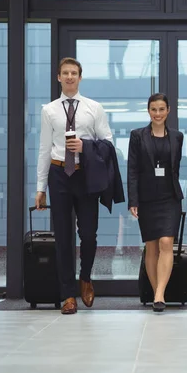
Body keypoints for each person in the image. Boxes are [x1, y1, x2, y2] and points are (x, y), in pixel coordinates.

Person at [35, 57, 118, 315]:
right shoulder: (49, 110)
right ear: (58, 78)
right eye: (65, 73)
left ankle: (85, 277)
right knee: (62, 237)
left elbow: (108, 142)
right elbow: (44, 149)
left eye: (74, 73)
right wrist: (40, 187)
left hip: (85, 175)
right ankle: (68, 295)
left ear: (80, 78)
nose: (70, 77)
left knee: (89, 235)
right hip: (59, 174)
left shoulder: (93, 108)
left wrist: (85, 146)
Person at [127, 93, 184, 312]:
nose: (158, 113)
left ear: (168, 110)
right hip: (147, 197)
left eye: (162, 109)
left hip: (170, 197)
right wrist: (133, 199)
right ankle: (157, 292)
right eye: (154, 109)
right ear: (148, 111)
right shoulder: (137, 136)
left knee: (166, 243)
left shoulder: (177, 137)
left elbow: (175, 168)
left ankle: (160, 293)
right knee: (151, 246)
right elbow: (132, 170)